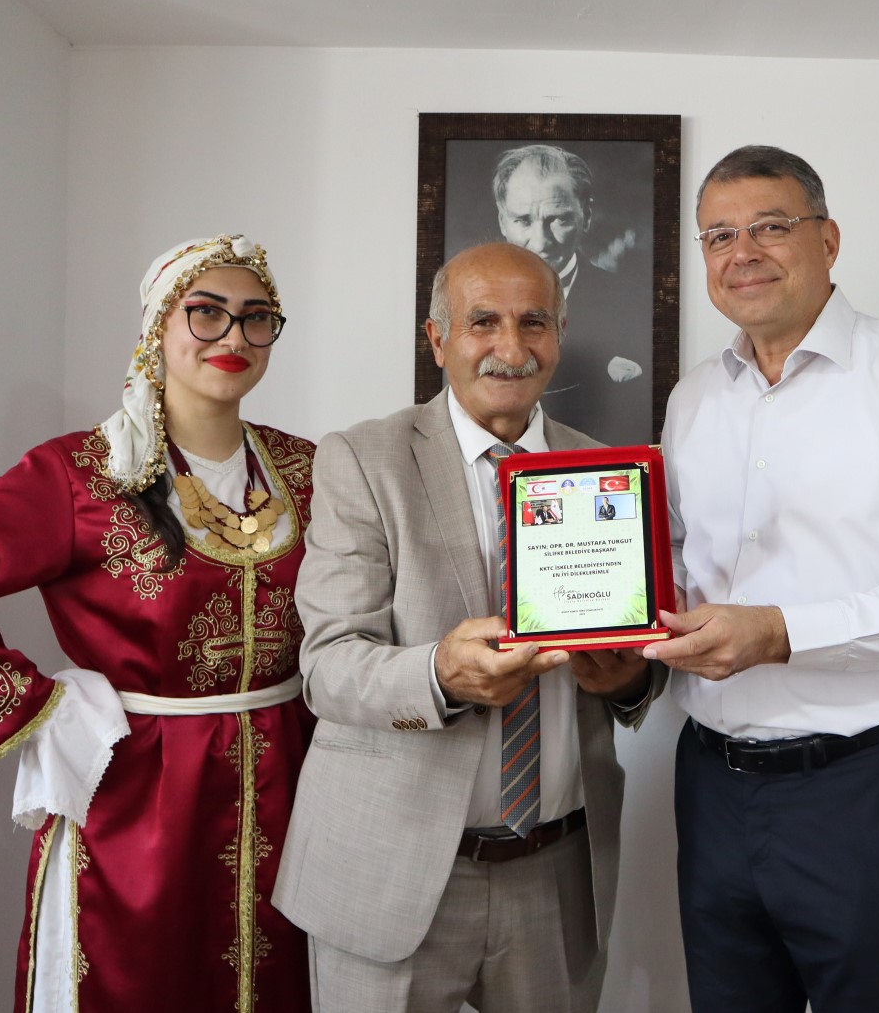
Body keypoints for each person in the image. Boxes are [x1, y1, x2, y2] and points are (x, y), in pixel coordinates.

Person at [0, 235, 317, 1012]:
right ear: (157, 327)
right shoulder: (81, 475)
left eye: (256, 317)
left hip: (292, 786)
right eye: (206, 313)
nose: (233, 335)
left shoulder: (307, 471)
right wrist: (38, 712)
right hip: (141, 794)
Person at [644, 145, 879, 1012]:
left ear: (828, 240)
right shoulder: (692, 399)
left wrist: (776, 633)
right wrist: (609, 625)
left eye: (771, 227)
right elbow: (674, 569)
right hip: (711, 783)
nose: (743, 253)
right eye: (719, 235)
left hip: (857, 787)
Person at [274, 242, 664, 1013]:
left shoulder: (612, 470)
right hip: (391, 871)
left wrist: (629, 679)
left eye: (534, 322)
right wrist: (439, 676)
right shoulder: (364, 459)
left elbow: (638, 661)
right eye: (483, 321)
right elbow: (329, 666)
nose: (511, 349)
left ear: (559, 335)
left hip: (556, 875)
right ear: (438, 338)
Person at [492, 143, 652, 445]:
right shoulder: (468, 308)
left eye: (558, 219)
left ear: (586, 215)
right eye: (523, 220)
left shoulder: (636, 304)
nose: (541, 242)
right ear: (502, 221)